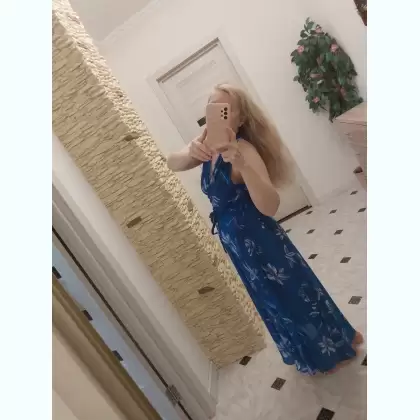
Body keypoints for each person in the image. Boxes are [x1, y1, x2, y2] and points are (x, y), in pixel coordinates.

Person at [167, 83, 363, 375]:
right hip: (239, 246)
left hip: (261, 242)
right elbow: (171, 162)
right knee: (275, 303)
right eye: (212, 106)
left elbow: (270, 206)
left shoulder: (243, 150)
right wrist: (192, 148)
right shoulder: (205, 145)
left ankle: (332, 347)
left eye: (225, 109)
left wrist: (242, 165)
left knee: (295, 296)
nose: (217, 113)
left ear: (240, 119)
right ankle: (322, 343)